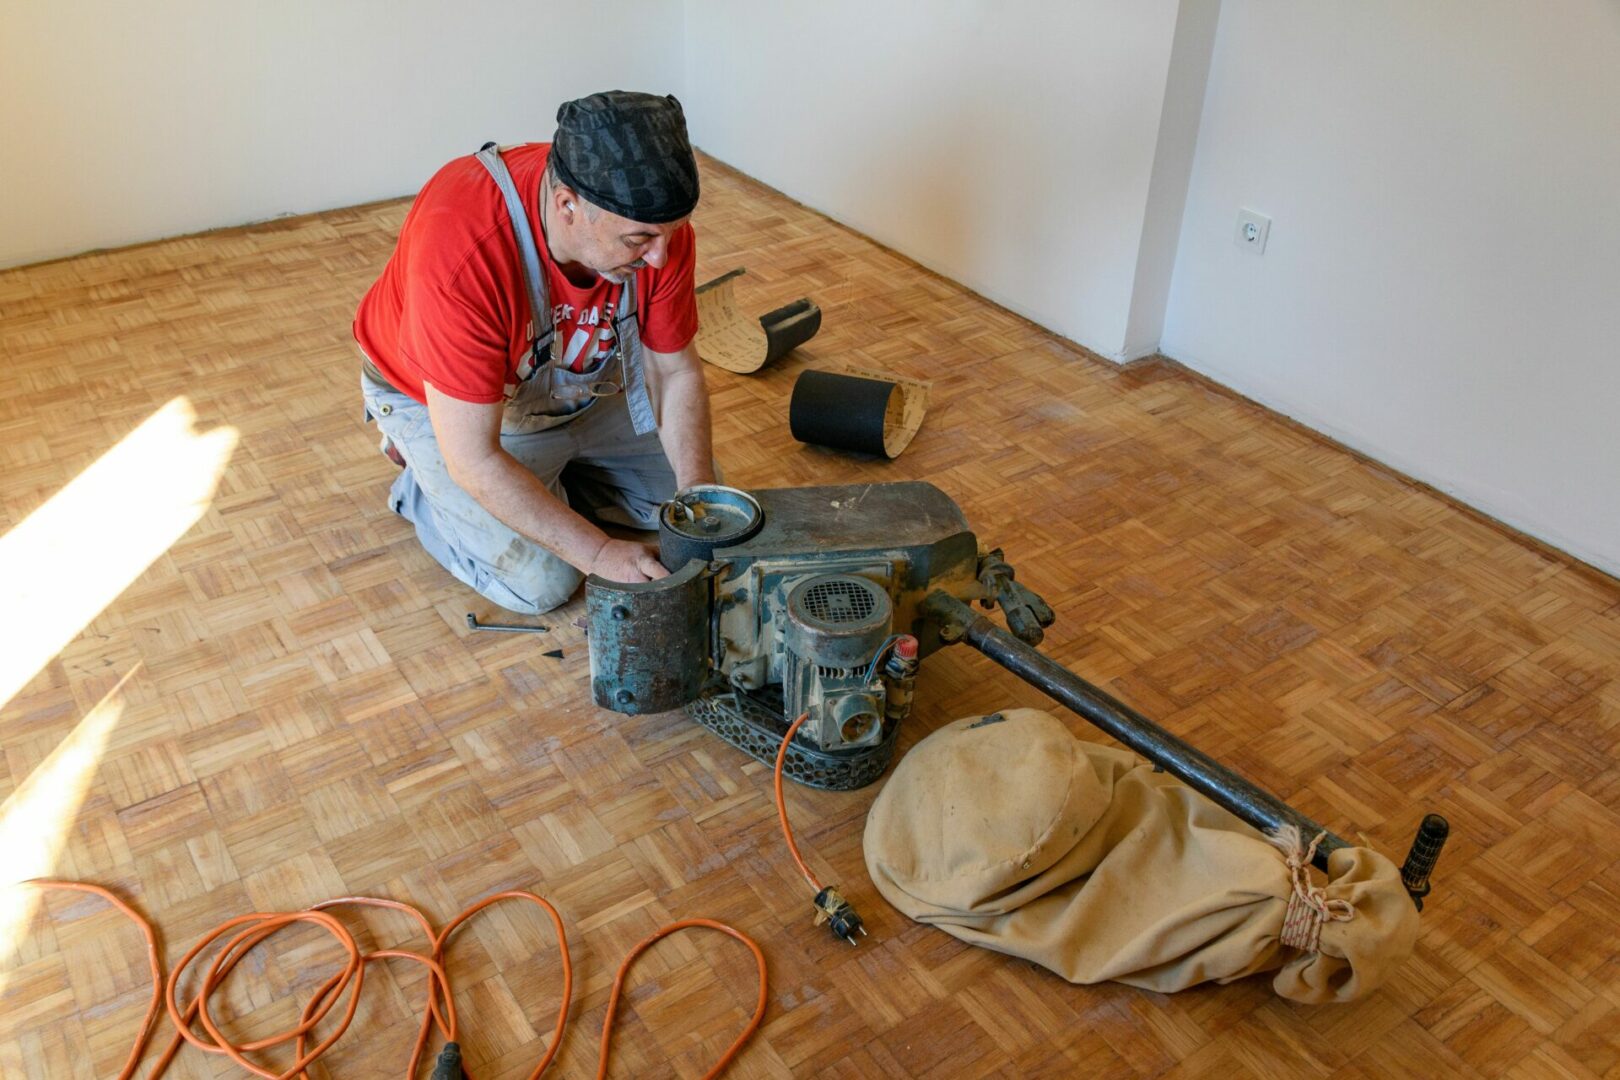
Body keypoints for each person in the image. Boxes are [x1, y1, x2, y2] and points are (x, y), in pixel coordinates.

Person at [352, 91, 714, 615]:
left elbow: (673, 371)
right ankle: (423, 487)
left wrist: (697, 492)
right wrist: (598, 551)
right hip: (445, 407)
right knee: (544, 582)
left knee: (690, 518)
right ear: (568, 205)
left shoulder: (651, 229)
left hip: (569, 385)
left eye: (670, 236)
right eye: (639, 241)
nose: (660, 257)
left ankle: (552, 478)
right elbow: (475, 459)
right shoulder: (462, 249)